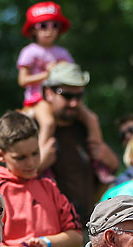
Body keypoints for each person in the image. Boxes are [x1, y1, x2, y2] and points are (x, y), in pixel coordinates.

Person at [17, 2, 109, 181]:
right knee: (48, 123)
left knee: (92, 119)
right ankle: (41, 161)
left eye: (54, 25)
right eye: (43, 25)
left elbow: (71, 74)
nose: (49, 30)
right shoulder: (29, 52)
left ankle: (98, 161)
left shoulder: (62, 52)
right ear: (33, 29)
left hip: (61, 98)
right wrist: (47, 74)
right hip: (38, 99)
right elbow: (23, 80)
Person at [0, 111, 82, 247]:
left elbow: (76, 237)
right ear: (0, 155)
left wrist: (46, 242)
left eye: (35, 153)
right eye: (21, 158)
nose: (31, 163)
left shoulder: (50, 187)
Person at [40, 63, 119, 224]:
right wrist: (40, 161)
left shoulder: (85, 127)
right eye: (67, 96)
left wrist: (110, 160)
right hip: (51, 230)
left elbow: (110, 167)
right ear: (48, 93)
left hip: (87, 225)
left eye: (79, 96)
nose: (74, 103)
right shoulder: (34, 126)